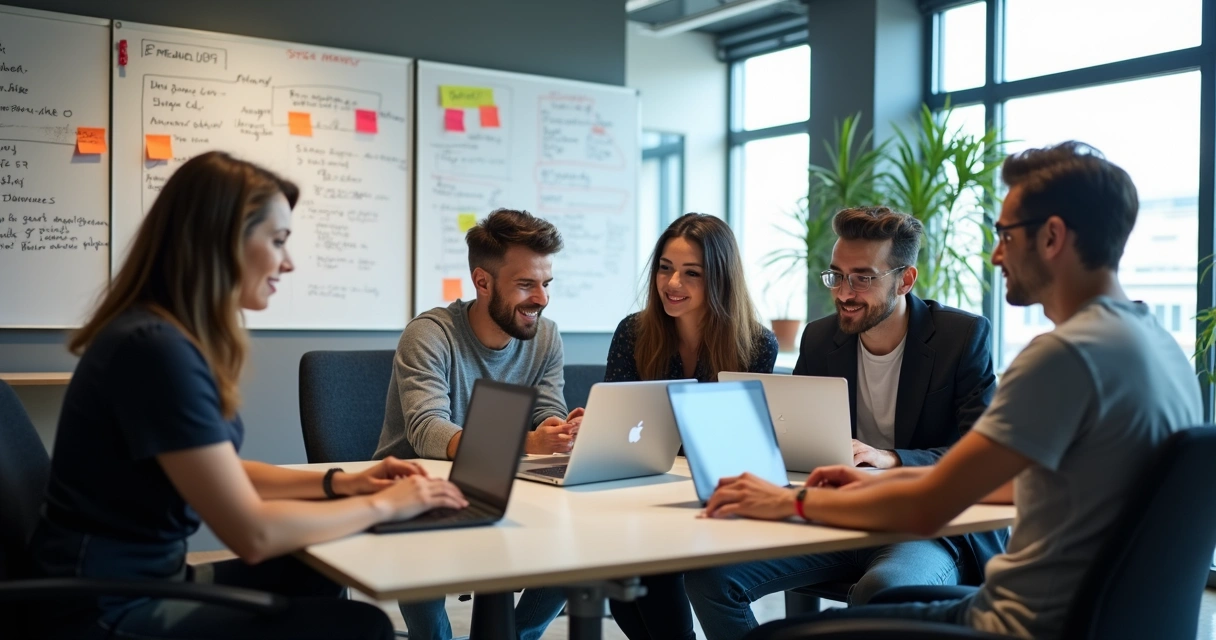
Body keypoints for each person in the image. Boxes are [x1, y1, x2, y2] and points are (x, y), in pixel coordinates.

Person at [704, 141, 1203, 639]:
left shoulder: (1066, 355)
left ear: (1052, 237)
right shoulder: (1157, 345)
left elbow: (930, 509)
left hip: (1019, 624)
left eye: (1006, 234)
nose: (996, 254)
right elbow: (1002, 484)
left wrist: (789, 504)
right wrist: (876, 481)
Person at [28, 152, 467, 640]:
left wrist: (349, 483)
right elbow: (252, 534)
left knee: (313, 573)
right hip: (108, 609)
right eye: (278, 240)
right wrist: (390, 505)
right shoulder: (155, 351)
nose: (288, 261)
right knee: (360, 627)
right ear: (220, 240)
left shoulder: (159, 336)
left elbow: (222, 472)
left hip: (136, 583)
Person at [682, 206, 1005, 639]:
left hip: (920, 522)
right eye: (837, 275)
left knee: (883, 590)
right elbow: (792, 429)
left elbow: (975, 454)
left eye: (863, 278)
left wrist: (889, 458)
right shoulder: (819, 338)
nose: (845, 292)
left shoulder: (960, 337)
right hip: (837, 513)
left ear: (905, 280)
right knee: (710, 578)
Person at [375, 208, 580, 640]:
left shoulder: (546, 336)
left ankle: (516, 634)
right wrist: (528, 441)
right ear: (483, 283)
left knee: (584, 539)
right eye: (526, 284)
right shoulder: (430, 334)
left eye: (546, 284)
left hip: (505, 481)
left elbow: (547, 410)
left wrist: (560, 431)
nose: (541, 298)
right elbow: (429, 429)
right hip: (416, 487)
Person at [603, 212, 778, 640]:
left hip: (714, 494)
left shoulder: (755, 344)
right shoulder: (634, 333)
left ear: (720, 279)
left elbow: (741, 442)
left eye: (691, 273)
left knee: (651, 581)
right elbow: (619, 427)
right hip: (648, 491)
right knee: (627, 597)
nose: (672, 283)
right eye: (665, 268)